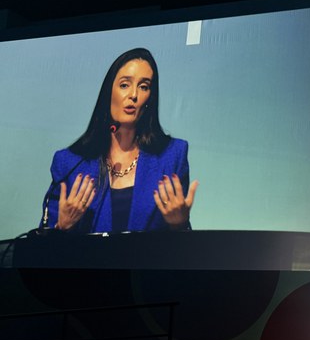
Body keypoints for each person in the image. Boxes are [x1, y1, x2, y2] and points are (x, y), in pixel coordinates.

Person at [41, 48, 199, 233]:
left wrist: (179, 225)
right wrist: (63, 228)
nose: (133, 94)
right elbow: (44, 249)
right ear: (109, 92)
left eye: (144, 86)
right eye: (125, 85)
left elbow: (181, 252)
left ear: (150, 98)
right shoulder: (70, 163)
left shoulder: (172, 155)